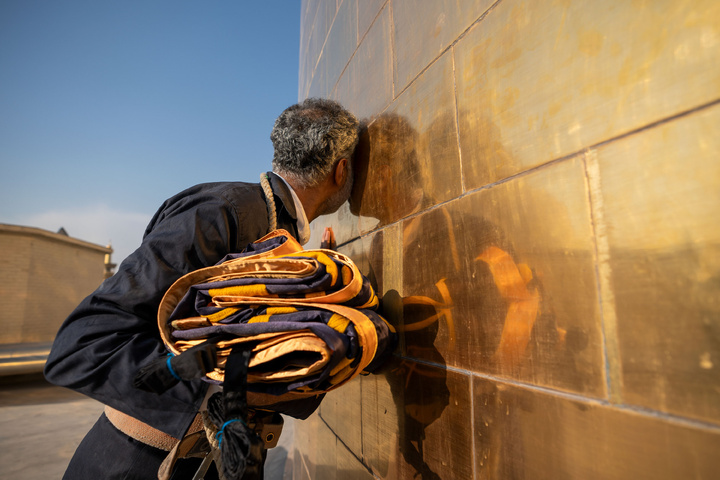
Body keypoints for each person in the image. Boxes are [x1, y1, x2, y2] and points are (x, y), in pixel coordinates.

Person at [44, 98, 360, 480]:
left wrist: (315, 294)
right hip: (138, 465)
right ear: (342, 171)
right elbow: (84, 346)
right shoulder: (219, 212)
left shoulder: (276, 230)